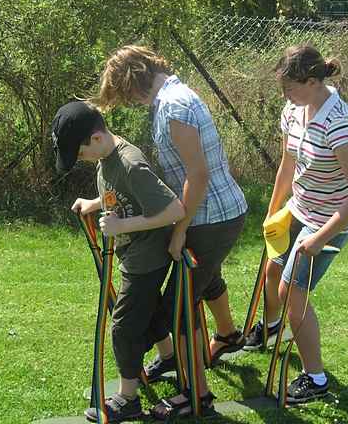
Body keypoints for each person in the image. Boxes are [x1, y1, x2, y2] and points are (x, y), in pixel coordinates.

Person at [99, 46, 248, 418]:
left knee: (179, 309)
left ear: (134, 81)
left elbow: (196, 175)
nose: (128, 103)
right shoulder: (177, 96)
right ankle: (226, 338)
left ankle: (196, 396)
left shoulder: (173, 107)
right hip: (213, 214)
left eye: (124, 94)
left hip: (210, 219)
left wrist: (179, 231)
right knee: (199, 285)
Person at [243, 44, 348, 403]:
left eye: (289, 87)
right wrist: (273, 212)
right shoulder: (293, 109)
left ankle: (315, 379)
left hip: (332, 219)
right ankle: (271, 330)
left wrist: (319, 237)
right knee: (273, 270)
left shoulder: (339, 124)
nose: (284, 95)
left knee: (292, 292)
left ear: (313, 81)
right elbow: (288, 163)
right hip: (299, 209)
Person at [51, 101, 186, 422]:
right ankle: (168, 358)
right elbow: (121, 194)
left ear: (96, 138)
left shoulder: (129, 163)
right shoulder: (109, 158)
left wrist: (122, 226)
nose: (81, 160)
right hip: (134, 252)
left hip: (147, 257)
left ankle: (128, 398)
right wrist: (95, 203)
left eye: (81, 153)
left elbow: (174, 210)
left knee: (124, 327)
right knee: (148, 309)